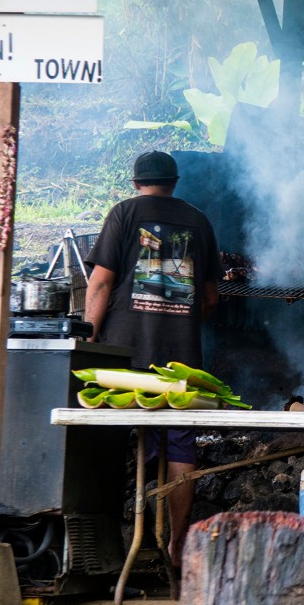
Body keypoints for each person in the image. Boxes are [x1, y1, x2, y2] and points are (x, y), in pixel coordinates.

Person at [84, 150, 221, 567]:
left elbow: (102, 283)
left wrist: (90, 335)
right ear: (175, 183)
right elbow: (211, 297)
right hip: (181, 359)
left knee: (112, 438)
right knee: (179, 446)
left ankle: (114, 541)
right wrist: (175, 320)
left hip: (125, 355)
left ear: (135, 182)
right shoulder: (198, 221)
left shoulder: (124, 214)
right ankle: (178, 544)